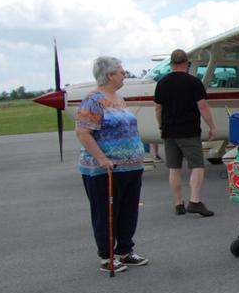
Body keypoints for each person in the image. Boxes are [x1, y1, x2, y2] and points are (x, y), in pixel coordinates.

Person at [75, 56, 148, 273]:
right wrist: (101, 158)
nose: (124, 75)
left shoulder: (118, 98)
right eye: (121, 72)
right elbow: (83, 132)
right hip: (105, 169)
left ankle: (125, 250)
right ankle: (106, 255)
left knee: (128, 210)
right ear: (109, 75)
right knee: (106, 211)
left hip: (131, 167)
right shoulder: (93, 101)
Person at [154, 49, 217, 217]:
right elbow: (202, 106)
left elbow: (158, 108)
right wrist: (212, 126)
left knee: (174, 168)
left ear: (171, 63)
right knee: (197, 166)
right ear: (186, 63)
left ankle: (178, 203)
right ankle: (195, 201)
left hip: (169, 131)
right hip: (189, 131)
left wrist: (161, 126)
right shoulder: (194, 82)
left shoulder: (162, 83)